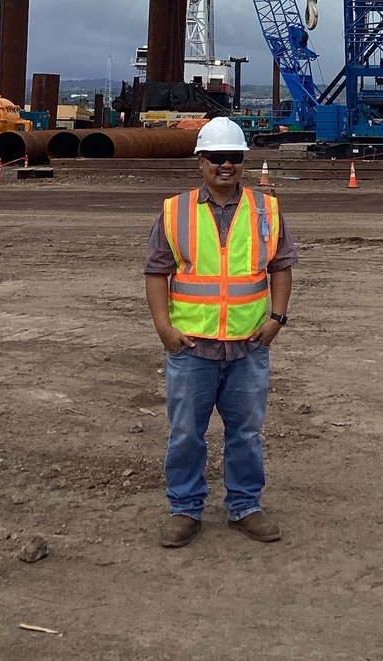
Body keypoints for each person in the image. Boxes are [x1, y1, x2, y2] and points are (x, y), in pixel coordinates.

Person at [144, 116, 297, 549]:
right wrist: (164, 329)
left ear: (243, 161)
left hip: (248, 347)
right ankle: (185, 508)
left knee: (246, 433)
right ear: (201, 161)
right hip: (193, 348)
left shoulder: (266, 209)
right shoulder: (175, 212)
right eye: (216, 157)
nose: (225, 165)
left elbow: (281, 266)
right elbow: (157, 272)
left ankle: (246, 505)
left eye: (233, 157)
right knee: (186, 433)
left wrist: (276, 320)